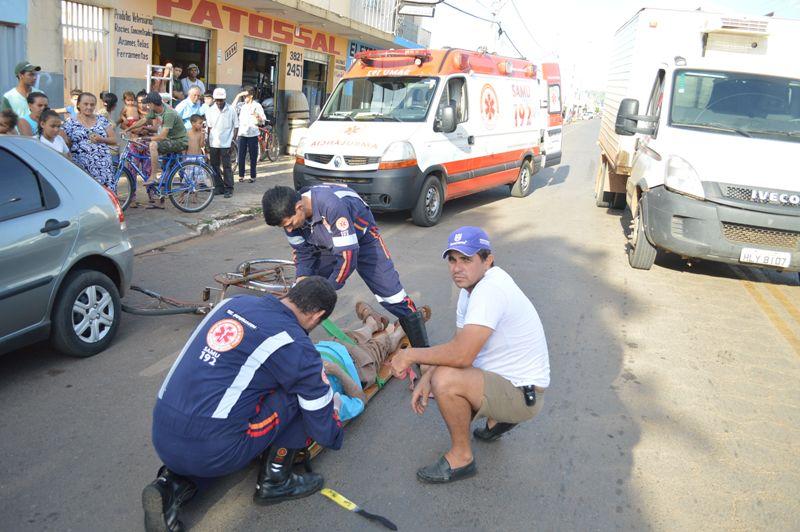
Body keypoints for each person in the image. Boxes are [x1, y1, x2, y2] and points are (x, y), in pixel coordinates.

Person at [142, 277, 343, 532]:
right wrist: (335, 435)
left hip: (163, 432)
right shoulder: (294, 344)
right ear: (318, 316)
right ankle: (276, 481)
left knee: (238, 385)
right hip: (212, 448)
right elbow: (321, 421)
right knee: (299, 390)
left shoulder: (234, 303)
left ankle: (170, 485)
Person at [389, 226, 550, 484]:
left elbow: (461, 356)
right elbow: (459, 345)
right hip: (512, 380)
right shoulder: (470, 290)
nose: (456, 267)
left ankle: (462, 457)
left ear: (488, 260)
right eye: (452, 260)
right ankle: (497, 420)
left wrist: (411, 356)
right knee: (438, 374)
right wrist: (425, 377)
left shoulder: (490, 290)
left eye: (466, 259)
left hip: (523, 393)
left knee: (446, 380)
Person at [261, 185, 430, 348]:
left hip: (363, 240)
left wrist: (328, 289)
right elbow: (303, 253)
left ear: (299, 207)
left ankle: (423, 352)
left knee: (392, 295)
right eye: (284, 227)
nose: (289, 229)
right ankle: (293, 348)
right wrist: (302, 280)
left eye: (289, 224)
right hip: (327, 243)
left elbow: (348, 258)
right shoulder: (290, 217)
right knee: (304, 297)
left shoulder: (331, 205)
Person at [128, 91, 188, 180]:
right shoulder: (155, 110)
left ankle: (153, 176)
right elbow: (143, 120)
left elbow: (162, 137)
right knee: (166, 168)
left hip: (178, 141)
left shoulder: (168, 113)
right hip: (169, 140)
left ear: (152, 104)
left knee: (153, 145)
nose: (147, 106)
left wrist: (144, 138)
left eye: (148, 103)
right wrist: (128, 129)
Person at [62, 92, 117, 187]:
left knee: (105, 197)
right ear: (78, 104)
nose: (89, 107)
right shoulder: (70, 122)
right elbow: (65, 144)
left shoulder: (102, 120)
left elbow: (114, 140)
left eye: (92, 105)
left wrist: (102, 139)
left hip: (103, 168)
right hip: (81, 169)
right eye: (85, 104)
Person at [204, 87, 238, 198]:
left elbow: (236, 127)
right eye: (217, 100)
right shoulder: (210, 110)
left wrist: (233, 141)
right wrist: (208, 143)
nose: (219, 102)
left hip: (227, 142)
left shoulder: (231, 110)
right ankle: (219, 187)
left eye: (221, 100)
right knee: (214, 166)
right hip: (214, 142)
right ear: (214, 99)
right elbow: (209, 128)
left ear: (225, 99)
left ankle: (229, 188)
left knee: (227, 166)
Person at [234, 86, 266, 183]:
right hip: (242, 133)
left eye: (246, 96)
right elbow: (232, 107)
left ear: (251, 96)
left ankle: (253, 176)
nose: (244, 98)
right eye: (243, 96)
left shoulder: (257, 106)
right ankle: (241, 175)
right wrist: (238, 95)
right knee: (241, 155)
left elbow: (263, 121)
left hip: (252, 134)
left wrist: (258, 117)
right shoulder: (241, 105)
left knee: (253, 155)